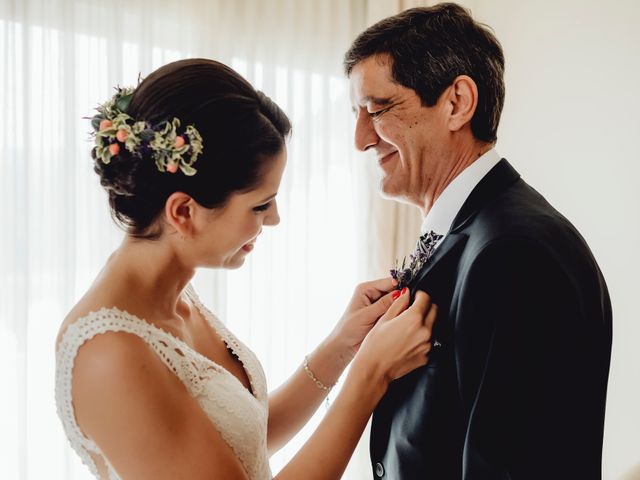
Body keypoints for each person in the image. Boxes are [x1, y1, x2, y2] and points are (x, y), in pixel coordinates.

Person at [54, 58, 439, 480]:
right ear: (183, 211)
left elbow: (239, 442)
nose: (273, 219)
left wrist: (342, 347)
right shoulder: (109, 354)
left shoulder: (176, 295)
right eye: (260, 205)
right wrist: (370, 376)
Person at [345, 3, 612, 479]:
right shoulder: (474, 234)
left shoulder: (517, 252)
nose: (361, 139)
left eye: (377, 109)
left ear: (456, 103)